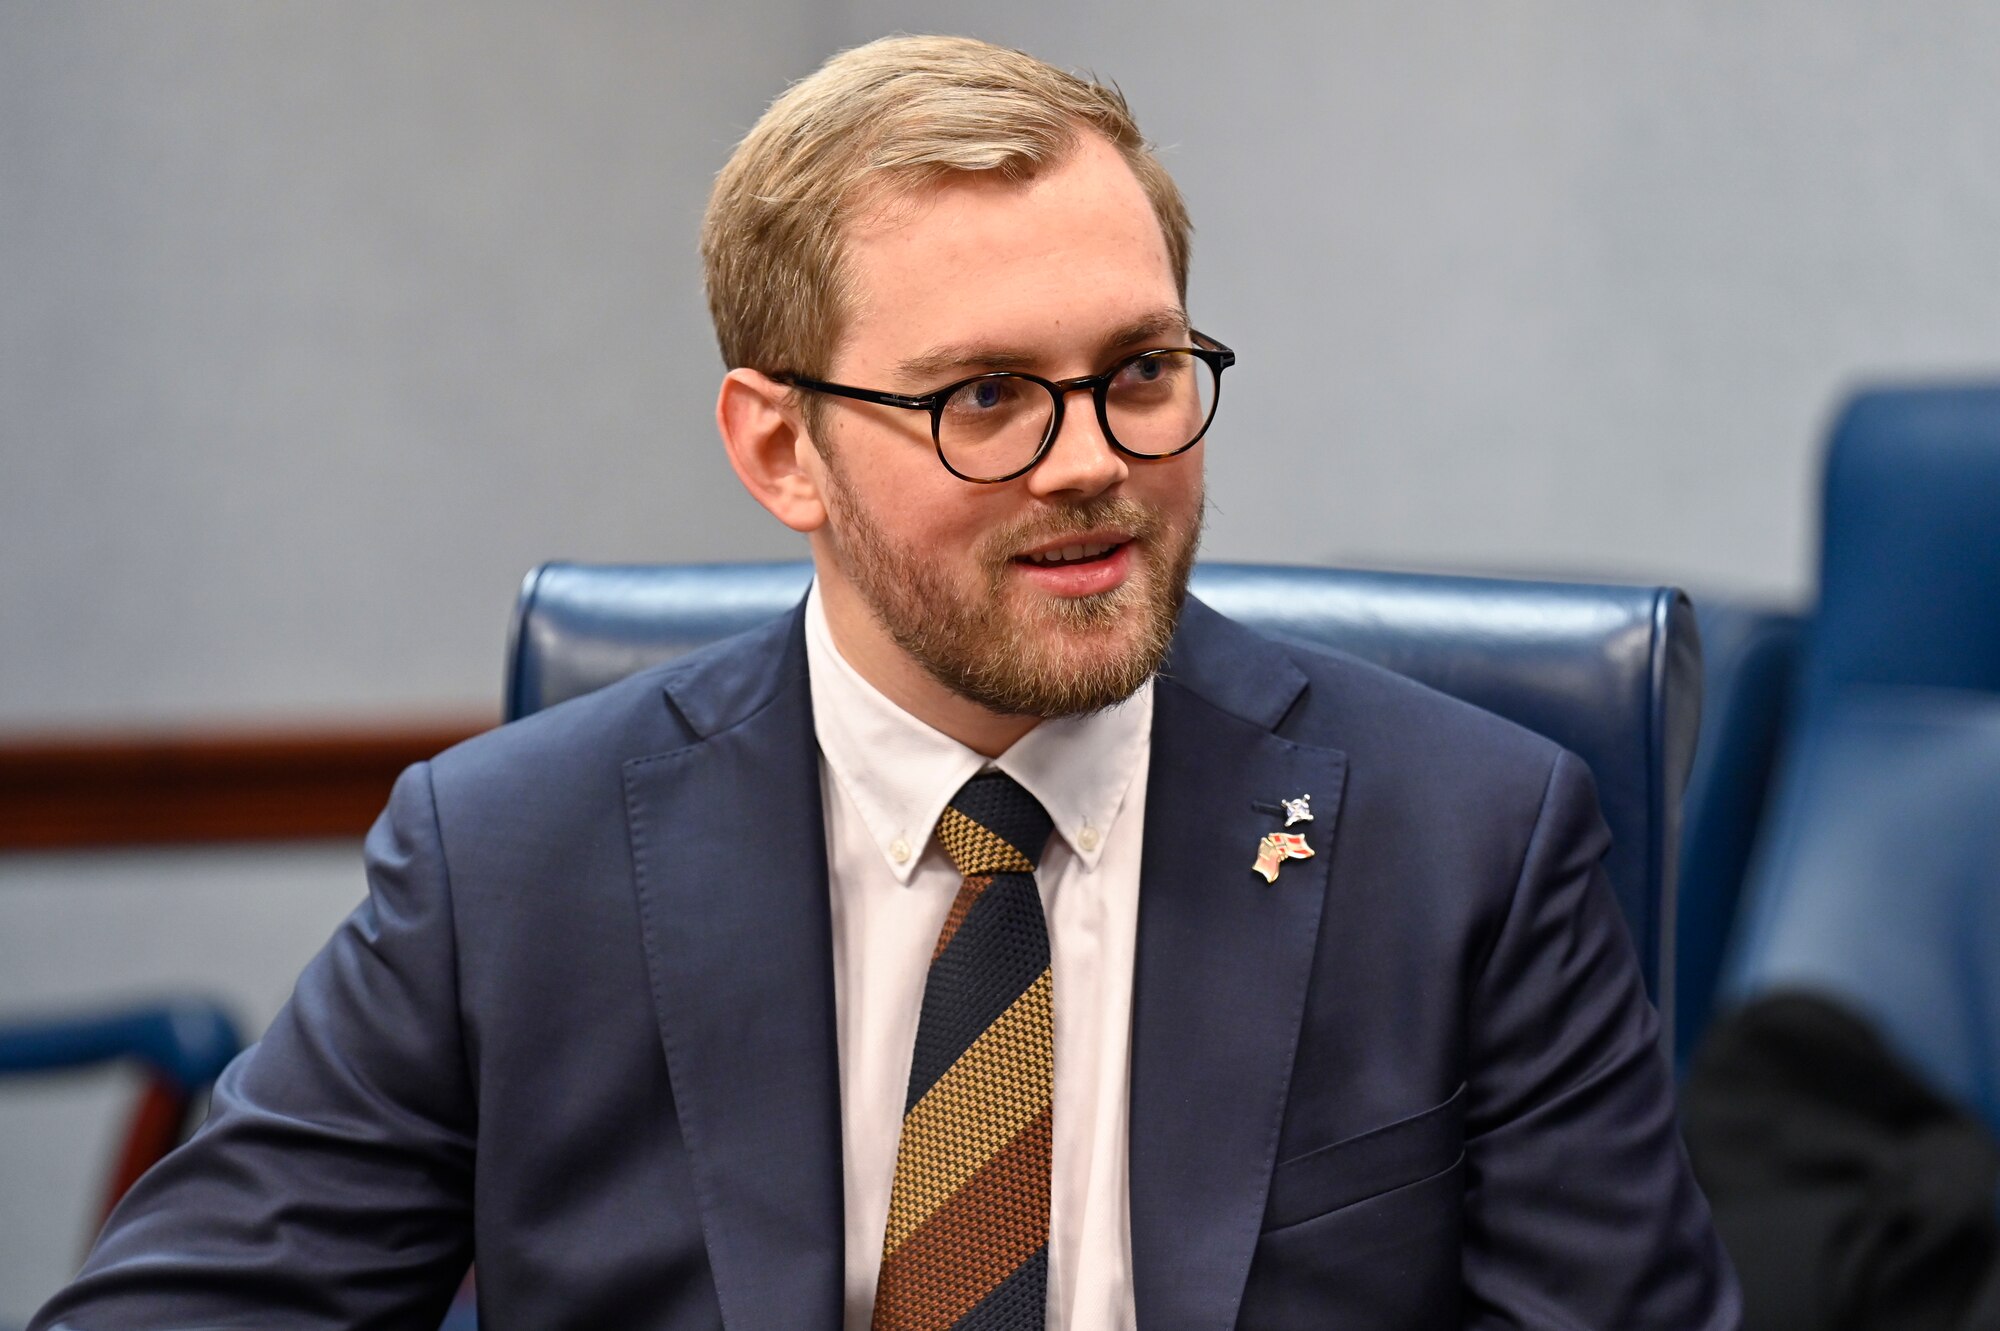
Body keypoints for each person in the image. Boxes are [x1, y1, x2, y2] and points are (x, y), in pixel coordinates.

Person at [35, 34, 1739, 1331]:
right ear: (782, 449)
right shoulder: (512, 864)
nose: (1094, 463)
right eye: (984, 397)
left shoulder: (1469, 843)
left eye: (1140, 371)